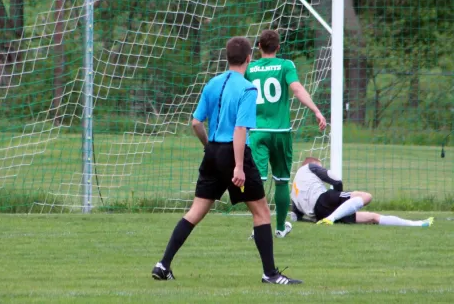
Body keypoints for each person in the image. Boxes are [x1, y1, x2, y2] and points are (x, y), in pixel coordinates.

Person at [151, 37, 302, 285]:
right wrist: (239, 166)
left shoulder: (212, 83)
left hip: (213, 153)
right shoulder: (247, 88)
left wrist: (209, 148)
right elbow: (241, 129)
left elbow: (196, 122)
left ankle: (163, 264)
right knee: (262, 212)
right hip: (235, 153)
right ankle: (270, 274)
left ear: (227, 57)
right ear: (249, 58)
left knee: (195, 212)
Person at [244, 30, 326, 238]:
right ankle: (280, 228)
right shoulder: (285, 65)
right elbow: (297, 89)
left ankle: (259, 228)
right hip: (280, 132)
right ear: (278, 48)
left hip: (258, 131)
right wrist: (316, 110)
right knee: (281, 180)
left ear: (259, 47)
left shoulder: (250, 68)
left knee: (258, 180)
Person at [291, 157, 433, 227]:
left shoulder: (293, 192)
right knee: (366, 196)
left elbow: (295, 218)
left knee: (372, 217)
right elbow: (337, 181)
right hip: (324, 201)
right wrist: (337, 198)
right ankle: (332, 218)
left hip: (319, 215)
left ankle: (417, 224)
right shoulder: (310, 167)